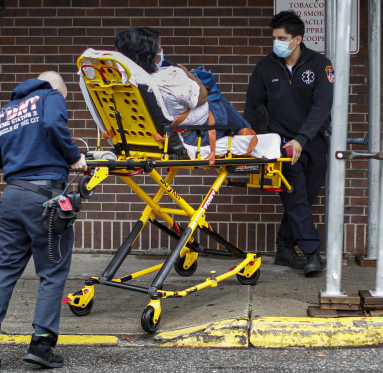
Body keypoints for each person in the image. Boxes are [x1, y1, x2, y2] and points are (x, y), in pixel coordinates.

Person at [0, 71, 88, 369]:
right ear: (57, 90)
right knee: (52, 270)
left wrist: (17, 161)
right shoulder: (50, 96)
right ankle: (41, 344)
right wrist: (74, 156)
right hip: (44, 198)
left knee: (6, 265)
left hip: (12, 196)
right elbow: (51, 123)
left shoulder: (9, 109)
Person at [244, 11, 334, 276]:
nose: (276, 43)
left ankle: (284, 247)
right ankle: (311, 252)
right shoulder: (264, 68)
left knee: (305, 198)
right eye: (274, 38)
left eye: (282, 38)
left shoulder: (320, 65)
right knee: (295, 197)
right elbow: (253, 107)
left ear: (298, 39)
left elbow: (321, 107)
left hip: (313, 141)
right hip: (280, 144)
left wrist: (302, 140)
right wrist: (254, 138)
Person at [114, 26, 255, 151]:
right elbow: (203, 95)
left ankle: (244, 132)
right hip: (190, 137)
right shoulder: (170, 77)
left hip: (146, 138)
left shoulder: (123, 81)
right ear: (150, 53)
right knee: (217, 100)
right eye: (160, 49)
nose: (162, 52)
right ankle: (248, 136)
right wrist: (186, 73)